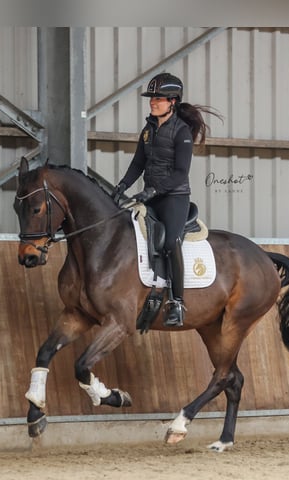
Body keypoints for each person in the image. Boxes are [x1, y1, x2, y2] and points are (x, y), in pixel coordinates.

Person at [113, 72, 221, 327]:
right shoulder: (148, 129)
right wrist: (121, 186)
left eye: (158, 98)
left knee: (171, 242)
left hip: (174, 197)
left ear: (172, 101)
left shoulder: (181, 132)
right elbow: (138, 163)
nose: (153, 102)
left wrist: (152, 191)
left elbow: (180, 172)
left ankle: (177, 302)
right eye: (152, 98)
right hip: (150, 195)